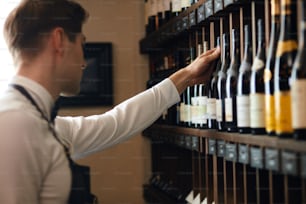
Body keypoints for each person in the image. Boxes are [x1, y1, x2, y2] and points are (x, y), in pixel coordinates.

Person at [0, 0, 220, 203]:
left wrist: (187, 75)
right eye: (81, 45)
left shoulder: (38, 121)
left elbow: (115, 123)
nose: (84, 62)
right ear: (58, 40)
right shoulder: (16, 124)